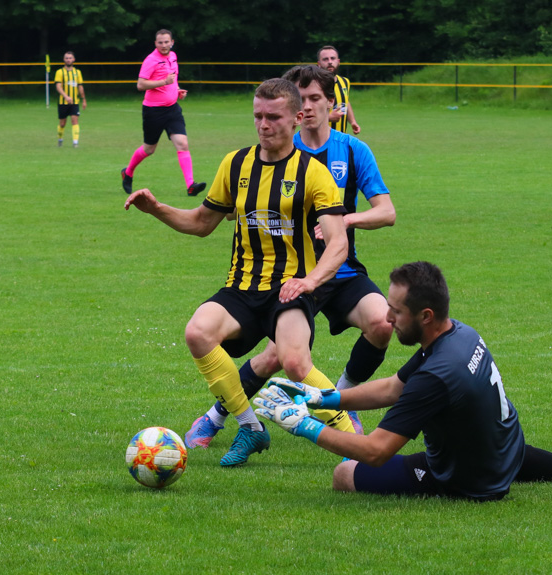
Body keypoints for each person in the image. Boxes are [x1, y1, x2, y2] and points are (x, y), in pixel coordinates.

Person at [124, 78, 356, 467]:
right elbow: (201, 222)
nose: (264, 125)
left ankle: (353, 442)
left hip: (291, 288)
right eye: (257, 116)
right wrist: (158, 209)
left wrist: (310, 282)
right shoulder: (236, 164)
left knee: (296, 363)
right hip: (243, 286)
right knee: (198, 332)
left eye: (273, 117)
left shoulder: (314, 173)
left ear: (297, 118)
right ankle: (251, 427)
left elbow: (338, 243)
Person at [254, 261, 552, 501]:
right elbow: (393, 388)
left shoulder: (436, 377)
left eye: (396, 311)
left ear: (425, 315)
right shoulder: (458, 334)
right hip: (504, 448)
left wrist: (303, 426)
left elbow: (377, 451)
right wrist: (324, 398)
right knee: (492, 440)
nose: (387, 317)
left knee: (344, 475)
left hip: (467, 480)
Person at [186, 65, 396, 446]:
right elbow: (233, 211)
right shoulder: (274, 151)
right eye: (306, 99)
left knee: (383, 323)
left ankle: (341, 396)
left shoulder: (351, 150)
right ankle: (217, 417)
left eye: (317, 98)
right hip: (285, 277)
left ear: (331, 105)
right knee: (277, 357)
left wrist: (345, 219)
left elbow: (387, 211)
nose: (312, 106)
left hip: (339, 271)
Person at [121, 29, 205, 197]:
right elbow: (140, 85)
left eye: (167, 42)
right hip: (153, 112)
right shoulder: (151, 60)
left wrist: (177, 89)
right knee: (149, 149)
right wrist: (164, 82)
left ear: (172, 42)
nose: (164, 45)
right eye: (160, 42)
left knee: (182, 143)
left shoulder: (173, 56)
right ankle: (128, 172)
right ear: (155, 44)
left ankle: (190, 185)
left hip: (172, 109)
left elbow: (173, 79)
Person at [317, 46, 360, 135]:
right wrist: (328, 117)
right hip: (320, 139)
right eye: (325, 59)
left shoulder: (345, 82)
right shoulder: (314, 85)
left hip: (341, 137)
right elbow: (306, 112)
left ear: (338, 61)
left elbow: (346, 101)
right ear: (319, 64)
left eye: (332, 58)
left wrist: (353, 122)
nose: (329, 62)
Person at [54, 51, 86, 148]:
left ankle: (75, 143)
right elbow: (58, 86)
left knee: (74, 120)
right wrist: (66, 96)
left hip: (74, 102)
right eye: (66, 58)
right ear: (64, 60)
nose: (68, 60)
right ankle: (60, 139)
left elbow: (80, 86)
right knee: (62, 124)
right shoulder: (59, 72)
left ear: (74, 59)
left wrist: (84, 99)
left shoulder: (77, 72)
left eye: (70, 58)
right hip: (62, 102)